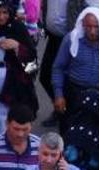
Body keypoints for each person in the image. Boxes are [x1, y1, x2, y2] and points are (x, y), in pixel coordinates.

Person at [0, 0, 38, 139]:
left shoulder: (18, 28)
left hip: (14, 89)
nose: (1, 16)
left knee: (10, 122)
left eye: (5, 12)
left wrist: (17, 47)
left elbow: (32, 64)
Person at [52, 7, 99, 137]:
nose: (92, 31)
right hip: (75, 93)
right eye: (89, 27)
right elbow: (58, 68)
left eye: (96, 27)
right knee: (71, 134)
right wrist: (58, 95)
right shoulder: (71, 40)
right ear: (82, 24)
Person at [36, 0, 86, 128]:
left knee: (68, 79)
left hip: (69, 39)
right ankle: (60, 107)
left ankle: (71, 113)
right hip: (53, 37)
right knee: (45, 76)